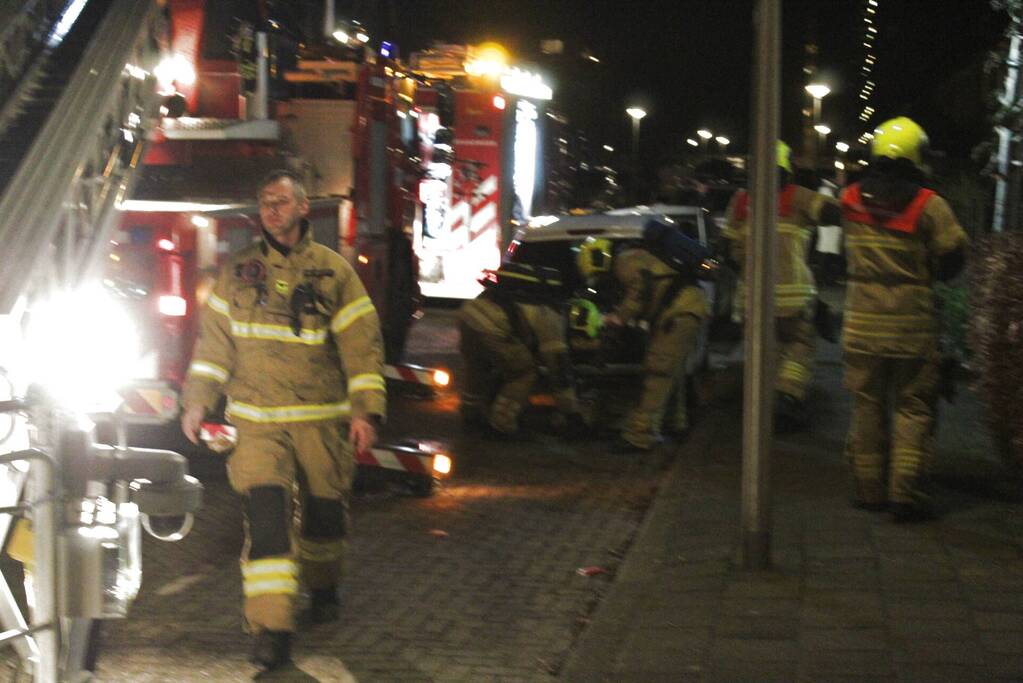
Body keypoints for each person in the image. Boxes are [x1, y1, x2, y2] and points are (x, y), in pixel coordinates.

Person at [180, 170, 386, 671]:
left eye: (281, 201)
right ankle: (272, 629)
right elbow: (214, 346)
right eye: (265, 201)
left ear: (302, 208)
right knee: (268, 524)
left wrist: (366, 410)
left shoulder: (333, 272)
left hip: (321, 422)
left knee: (323, 518)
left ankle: (323, 586)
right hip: (257, 426)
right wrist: (196, 400)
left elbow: (362, 345)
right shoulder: (238, 271)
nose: (272, 209)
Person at [839, 116, 968, 521]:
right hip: (912, 327)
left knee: (867, 404)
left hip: (861, 323)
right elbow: (953, 262)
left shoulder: (850, 199)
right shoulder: (930, 205)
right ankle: (905, 493)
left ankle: (869, 489)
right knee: (913, 406)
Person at [722, 140, 842, 430]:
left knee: (765, 352)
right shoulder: (798, 196)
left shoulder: (740, 201)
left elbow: (726, 248)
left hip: (752, 299)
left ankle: (763, 406)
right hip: (793, 300)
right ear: (786, 168)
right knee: (799, 346)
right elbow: (834, 213)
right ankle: (787, 395)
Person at [580, 231, 708, 453]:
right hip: (683, 310)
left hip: (679, 313)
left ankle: (638, 437)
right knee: (670, 372)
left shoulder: (625, 262)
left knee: (657, 372)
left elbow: (639, 291)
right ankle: (675, 424)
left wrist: (620, 317)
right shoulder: (634, 255)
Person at [458, 263, 586, 437]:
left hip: (468, 316)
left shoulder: (507, 293)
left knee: (477, 366)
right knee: (523, 373)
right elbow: (558, 367)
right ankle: (501, 425)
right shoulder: (549, 314)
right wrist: (571, 412)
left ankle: (470, 412)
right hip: (493, 327)